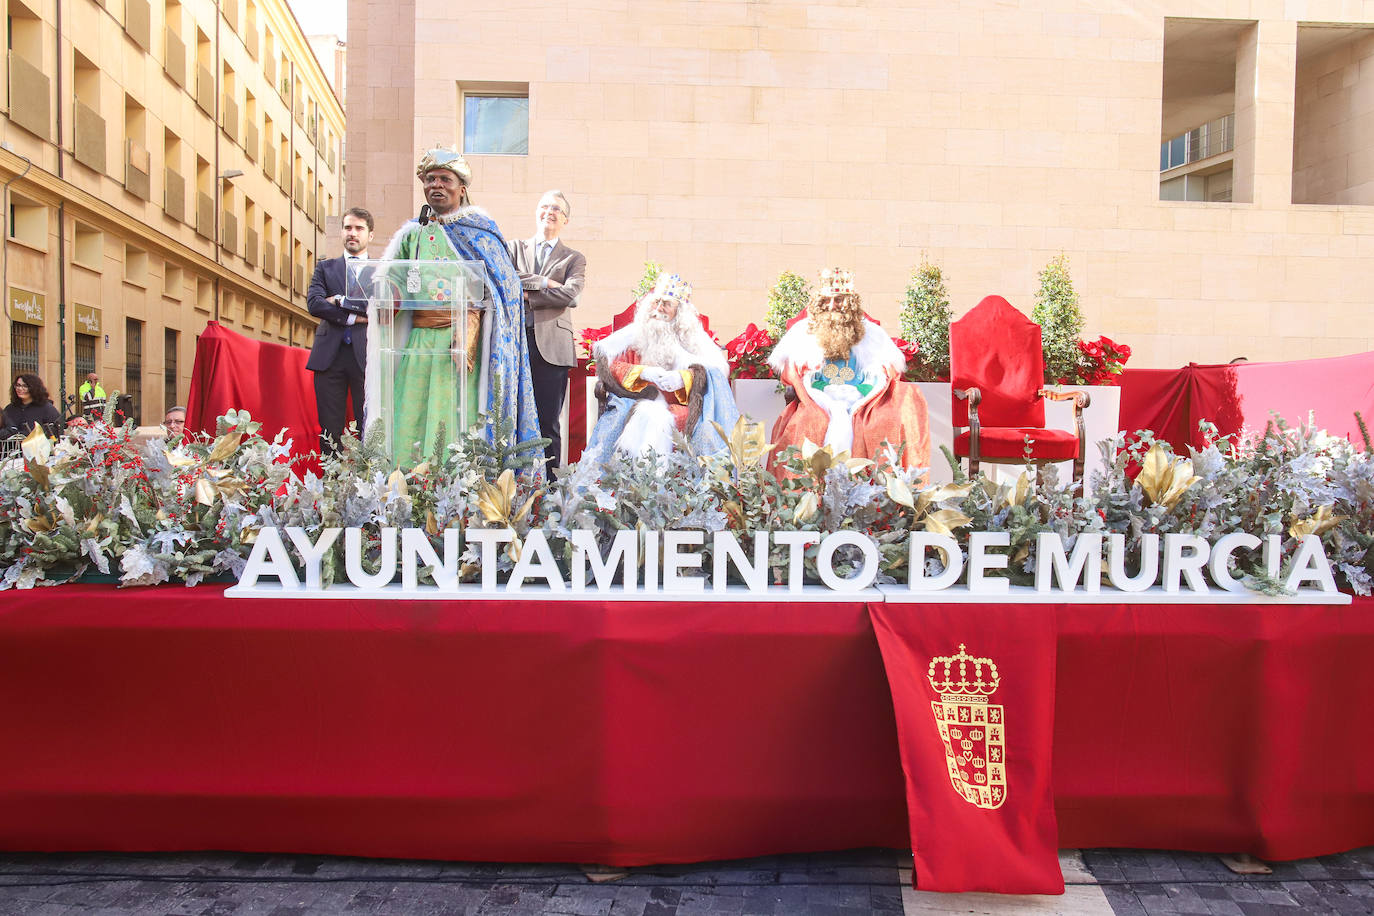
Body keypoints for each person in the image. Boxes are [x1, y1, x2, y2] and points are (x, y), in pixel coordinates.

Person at [369, 146, 540, 465]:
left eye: (444, 179)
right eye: (430, 178)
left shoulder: (481, 231)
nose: (436, 185)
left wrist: (472, 319)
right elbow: (394, 275)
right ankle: (405, 490)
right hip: (419, 342)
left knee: (450, 420)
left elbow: (507, 287)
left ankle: (451, 492)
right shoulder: (413, 233)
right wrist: (388, 291)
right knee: (411, 413)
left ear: (461, 188)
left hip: (458, 345)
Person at [769, 268, 929, 469]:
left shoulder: (871, 334)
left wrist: (861, 393)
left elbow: (884, 371)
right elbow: (792, 373)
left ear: (851, 304)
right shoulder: (804, 334)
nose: (833, 306)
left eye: (839, 300)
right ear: (819, 303)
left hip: (862, 398)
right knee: (807, 423)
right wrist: (821, 392)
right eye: (827, 301)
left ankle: (877, 493)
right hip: (818, 399)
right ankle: (807, 495)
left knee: (883, 421)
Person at [583, 273, 739, 466]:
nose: (658, 309)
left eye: (666, 304)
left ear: (680, 312)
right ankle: (632, 485)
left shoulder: (693, 339)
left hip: (684, 406)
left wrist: (684, 378)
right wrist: (642, 373)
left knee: (706, 431)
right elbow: (612, 367)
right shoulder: (634, 335)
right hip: (635, 399)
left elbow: (715, 373)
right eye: (656, 302)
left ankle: (695, 490)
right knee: (637, 417)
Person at [508, 190, 586, 470]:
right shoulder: (514, 248)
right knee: (511, 416)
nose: (549, 212)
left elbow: (571, 295)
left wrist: (529, 295)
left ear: (565, 219)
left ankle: (551, 489)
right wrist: (546, 282)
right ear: (536, 212)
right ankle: (513, 481)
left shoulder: (574, 258)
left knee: (548, 421)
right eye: (544, 206)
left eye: (556, 209)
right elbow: (507, 278)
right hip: (514, 343)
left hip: (553, 348)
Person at [307, 207, 374, 454]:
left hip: (365, 356)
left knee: (368, 425)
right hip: (329, 357)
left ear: (370, 235)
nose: (352, 233)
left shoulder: (381, 270)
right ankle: (330, 485)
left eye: (359, 228)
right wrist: (354, 318)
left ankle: (367, 484)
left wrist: (339, 301)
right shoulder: (326, 268)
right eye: (348, 228)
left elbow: (378, 308)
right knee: (329, 429)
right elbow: (314, 304)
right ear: (341, 233)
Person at [1, 374, 63, 439]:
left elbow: (57, 430)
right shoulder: (10, 408)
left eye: (25, 386)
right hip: (12, 448)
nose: (20, 389)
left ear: (34, 388)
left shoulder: (46, 408)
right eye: (18, 385)